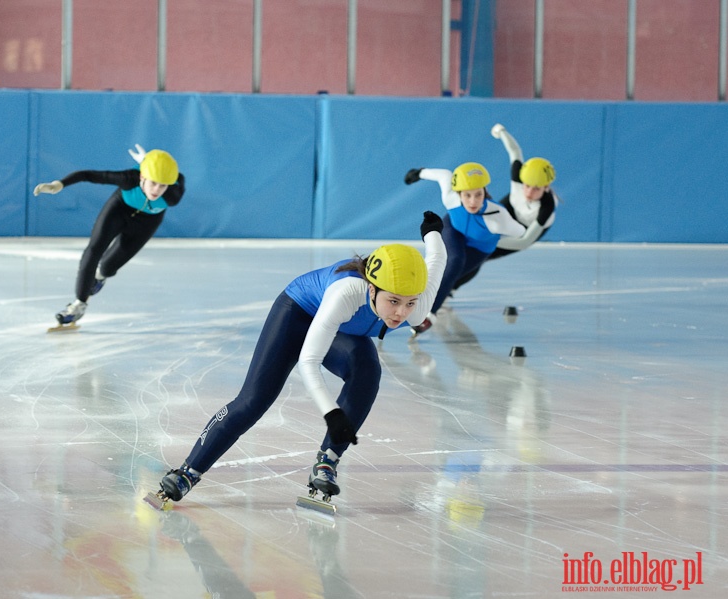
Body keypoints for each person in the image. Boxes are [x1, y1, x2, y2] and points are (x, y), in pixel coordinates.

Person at [154, 212, 447, 505]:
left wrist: (431, 231)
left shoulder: (417, 306)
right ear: (371, 288)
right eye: (393, 301)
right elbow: (309, 360)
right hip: (297, 314)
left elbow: (437, 257)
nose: (400, 313)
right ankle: (187, 472)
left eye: (409, 303)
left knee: (367, 371)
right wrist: (332, 414)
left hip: (342, 328)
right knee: (253, 400)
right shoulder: (346, 293)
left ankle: (327, 462)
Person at [33, 145, 185, 326]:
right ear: (142, 177)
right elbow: (87, 175)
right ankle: (79, 304)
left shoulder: (173, 195)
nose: (157, 190)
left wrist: (147, 163)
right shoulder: (129, 178)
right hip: (119, 209)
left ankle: (101, 276)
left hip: (146, 223)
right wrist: (60, 184)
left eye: (163, 185)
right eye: (153, 182)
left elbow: (168, 177)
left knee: (107, 266)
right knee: (94, 250)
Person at [404, 161, 525, 334]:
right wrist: (418, 173)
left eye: (478, 195)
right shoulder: (451, 198)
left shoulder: (498, 216)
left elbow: (521, 231)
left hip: (480, 247)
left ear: (485, 192)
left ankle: (436, 295)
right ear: (459, 193)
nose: (473, 201)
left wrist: (514, 221)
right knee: (453, 262)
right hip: (454, 228)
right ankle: (428, 313)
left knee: (456, 276)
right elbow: (444, 174)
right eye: (467, 195)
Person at [451, 123, 559, 291]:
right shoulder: (519, 179)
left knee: (482, 254)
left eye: (536, 188)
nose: (529, 192)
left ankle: (450, 289)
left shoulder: (546, 209)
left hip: (525, 230)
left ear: (546, 187)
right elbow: (515, 151)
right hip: (511, 207)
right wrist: (501, 131)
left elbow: (524, 242)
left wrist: (490, 239)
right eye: (527, 185)